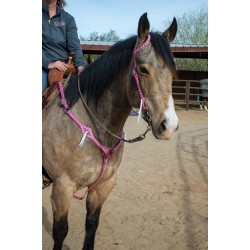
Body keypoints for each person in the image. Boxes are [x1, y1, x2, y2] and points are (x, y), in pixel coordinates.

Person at [42, 0, 85, 93]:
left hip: (62, 66)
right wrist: (48, 64)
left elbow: (74, 46)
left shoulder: (68, 19)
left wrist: (81, 67)